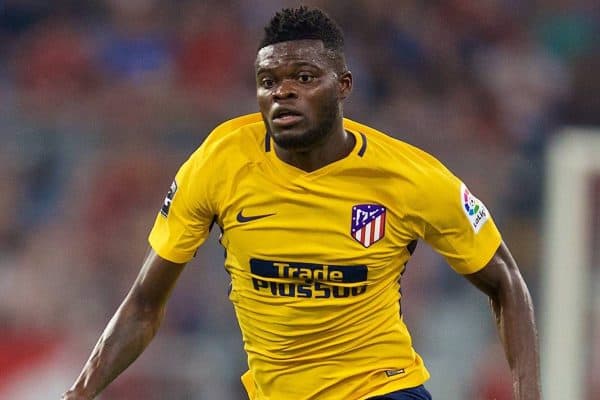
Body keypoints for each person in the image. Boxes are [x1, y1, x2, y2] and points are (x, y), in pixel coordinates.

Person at [62, 6, 541, 400]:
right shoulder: (220, 162)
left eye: (305, 77)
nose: (283, 91)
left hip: (382, 389)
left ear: (345, 86)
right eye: (268, 81)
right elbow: (145, 304)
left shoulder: (410, 177)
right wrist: (79, 393)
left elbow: (506, 282)